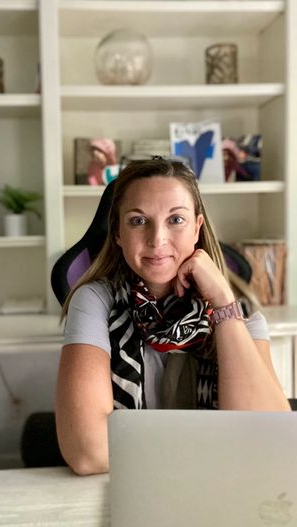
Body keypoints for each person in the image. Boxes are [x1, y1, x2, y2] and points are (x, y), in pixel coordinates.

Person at [56, 158, 291, 476]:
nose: (157, 239)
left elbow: (269, 437)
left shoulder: (238, 310)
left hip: (221, 491)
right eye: (138, 221)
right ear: (118, 234)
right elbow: (90, 452)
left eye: (176, 219)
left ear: (197, 228)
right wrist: (218, 445)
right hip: (132, 493)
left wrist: (222, 304)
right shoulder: (95, 301)